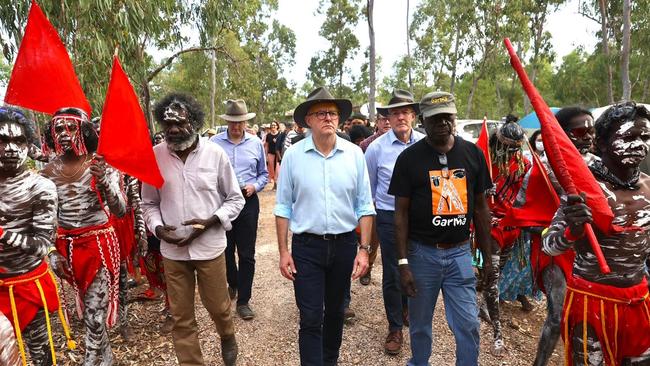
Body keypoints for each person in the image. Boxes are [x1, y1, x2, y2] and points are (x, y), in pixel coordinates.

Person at [542, 101, 650, 365]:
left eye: (645, 137)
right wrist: (573, 230)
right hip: (593, 301)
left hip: (638, 299)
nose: (639, 144)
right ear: (601, 143)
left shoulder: (649, 186)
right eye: (628, 137)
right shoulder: (584, 189)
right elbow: (549, 245)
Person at [391, 91, 494, 366]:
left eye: (448, 117)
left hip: (460, 254)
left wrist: (487, 258)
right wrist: (403, 263)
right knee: (420, 324)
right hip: (422, 254)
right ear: (423, 121)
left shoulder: (473, 154)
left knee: (468, 324)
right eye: (436, 119)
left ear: (455, 118)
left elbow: (482, 209)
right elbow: (399, 214)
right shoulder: (409, 159)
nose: (443, 124)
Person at [141, 93, 244, 366]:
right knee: (181, 315)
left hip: (209, 247)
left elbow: (235, 199)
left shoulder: (215, 153)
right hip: (172, 252)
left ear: (195, 122)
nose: (173, 129)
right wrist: (158, 229)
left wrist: (210, 222)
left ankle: (227, 335)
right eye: (167, 124)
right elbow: (148, 203)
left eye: (179, 123)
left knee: (219, 307)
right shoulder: (155, 156)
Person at [274, 86, 375, 366]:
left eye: (332, 113)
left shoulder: (354, 155)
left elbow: (365, 207)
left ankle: (329, 361)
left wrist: (364, 250)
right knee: (310, 317)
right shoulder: (293, 156)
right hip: (307, 246)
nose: (328, 118)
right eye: (320, 113)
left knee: (335, 313)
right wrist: (283, 251)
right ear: (308, 120)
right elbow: (283, 207)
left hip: (343, 244)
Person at [0, 107, 74, 366]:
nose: (10, 148)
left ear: (28, 146)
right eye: (2, 140)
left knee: (43, 356)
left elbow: (43, 244)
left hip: (28, 285)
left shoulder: (41, 187)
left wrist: (2, 234)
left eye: (18, 141)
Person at [365, 89, 425, 355]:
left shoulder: (425, 144)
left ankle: (407, 309)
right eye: (395, 112)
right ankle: (395, 327)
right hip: (389, 217)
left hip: (420, 218)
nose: (400, 116)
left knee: (417, 266)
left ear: (413, 115)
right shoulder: (376, 149)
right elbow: (369, 189)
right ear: (388, 117)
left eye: (405, 112)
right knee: (392, 270)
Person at [211, 99, 268, 320]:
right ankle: (232, 282)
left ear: (245, 122)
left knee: (247, 253)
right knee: (225, 250)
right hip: (223, 201)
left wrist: (256, 185)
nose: (236, 126)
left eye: (240, 122)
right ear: (227, 122)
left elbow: (263, 173)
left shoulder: (255, 144)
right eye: (232, 122)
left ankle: (244, 300)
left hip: (247, 201)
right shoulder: (214, 143)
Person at [264, 121, 280, 189]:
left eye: (274, 125)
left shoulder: (280, 134)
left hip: (278, 154)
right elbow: (267, 146)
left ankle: (277, 183)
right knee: (271, 170)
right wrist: (266, 155)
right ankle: (274, 183)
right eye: (272, 125)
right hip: (270, 154)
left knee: (277, 169)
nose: (273, 126)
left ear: (277, 126)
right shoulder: (268, 135)